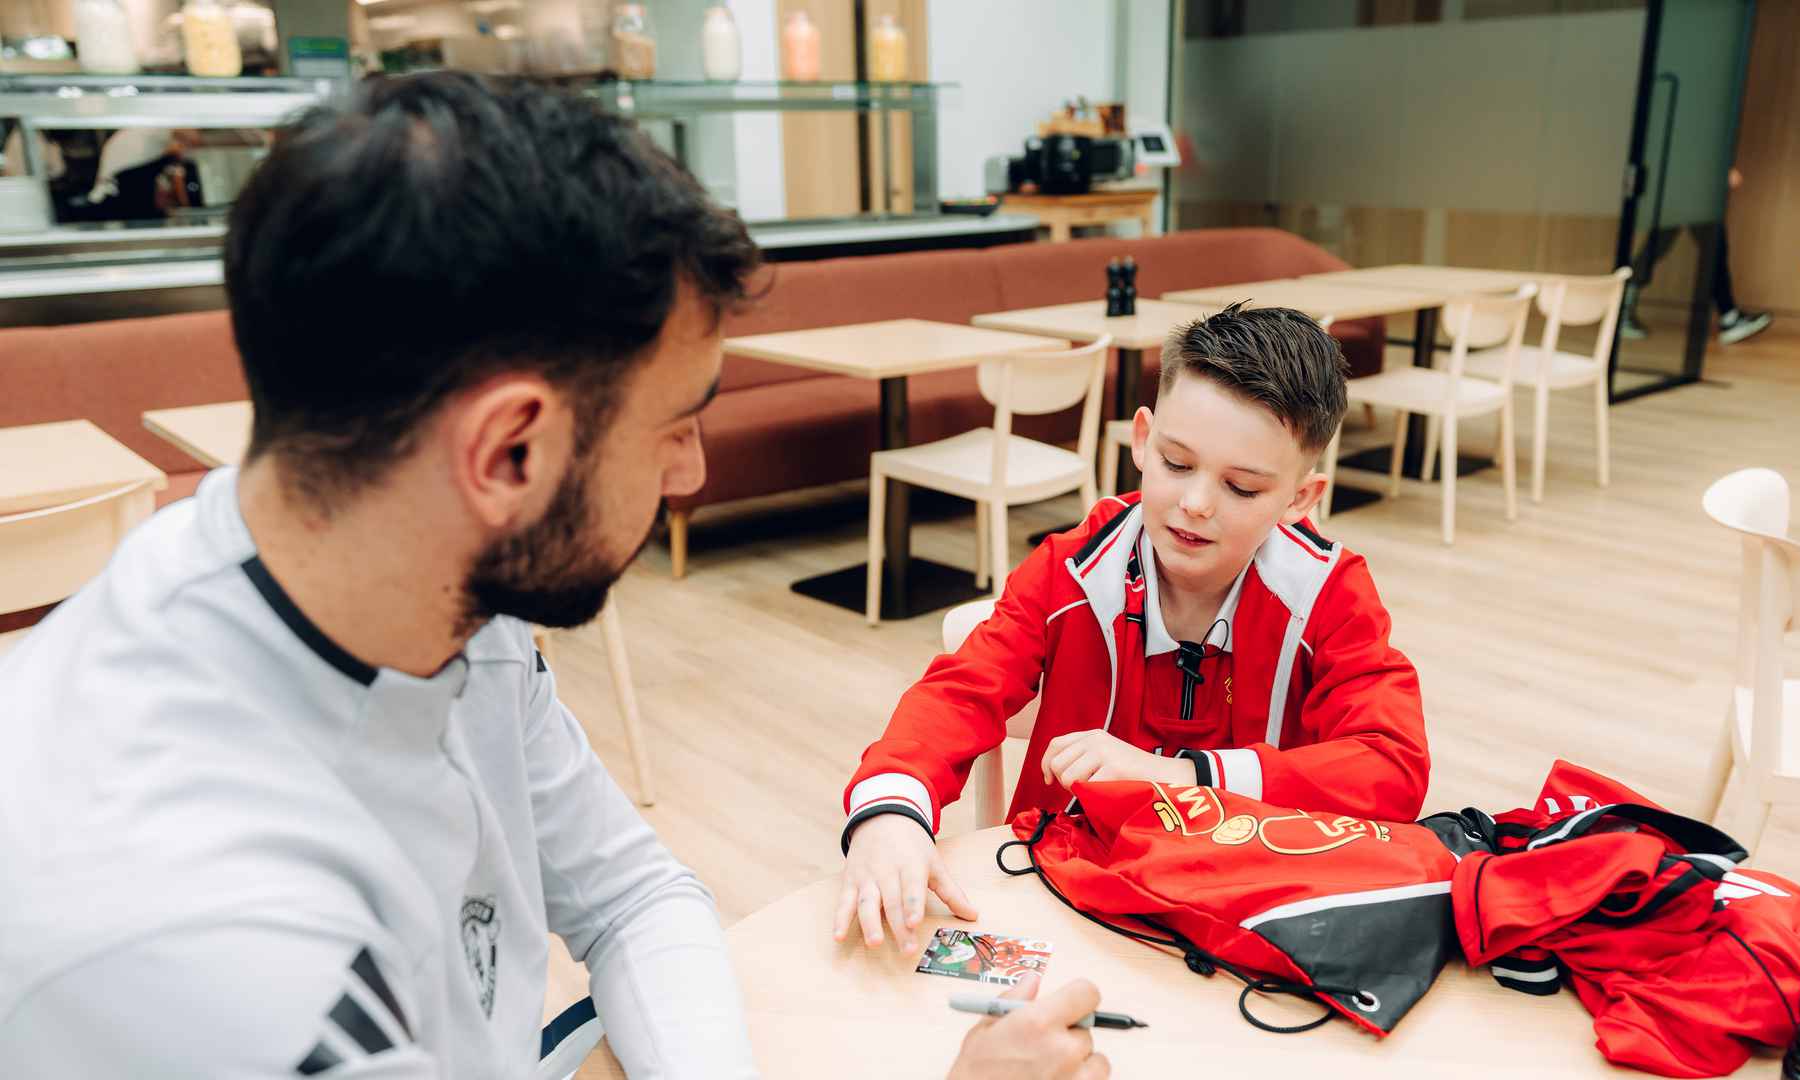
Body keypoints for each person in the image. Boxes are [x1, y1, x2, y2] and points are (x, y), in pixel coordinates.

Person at [0, 72, 1104, 1079]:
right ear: (506, 453)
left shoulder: (431, 590)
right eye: (673, 425)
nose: (693, 473)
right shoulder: (191, 941)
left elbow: (634, 894)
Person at [837, 304, 1430, 953]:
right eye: (1177, 463)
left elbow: (1391, 766)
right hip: (1067, 891)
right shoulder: (1069, 570)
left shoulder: (1329, 594)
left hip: (1249, 909)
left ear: (1299, 499)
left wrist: (1183, 776)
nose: (1196, 504)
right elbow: (959, 694)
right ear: (1142, 440)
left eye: (1241, 487)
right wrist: (891, 809)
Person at [1620, 167, 1772, 346]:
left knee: (1658, 247)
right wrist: (1720, 172)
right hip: (1688, 189)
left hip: (1680, 188)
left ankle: (1623, 310)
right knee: (1711, 248)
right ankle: (1729, 317)